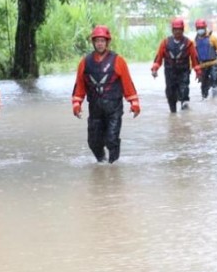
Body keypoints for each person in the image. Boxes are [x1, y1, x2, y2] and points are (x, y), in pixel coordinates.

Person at [71, 25, 140, 164]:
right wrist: (76, 103)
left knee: (112, 139)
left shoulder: (118, 61)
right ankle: (102, 163)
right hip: (95, 109)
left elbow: (127, 83)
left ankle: (113, 167)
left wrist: (134, 102)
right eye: (97, 41)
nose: (100, 43)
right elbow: (79, 85)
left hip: (113, 108)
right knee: (93, 142)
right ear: (93, 42)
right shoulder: (85, 62)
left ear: (107, 42)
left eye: (103, 41)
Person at [151, 17, 202, 113]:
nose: (177, 32)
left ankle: (185, 106)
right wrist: (154, 69)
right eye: (175, 30)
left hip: (183, 71)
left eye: (179, 30)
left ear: (182, 30)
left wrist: (198, 72)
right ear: (172, 30)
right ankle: (173, 113)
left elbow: (195, 59)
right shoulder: (165, 42)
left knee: (184, 89)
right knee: (170, 93)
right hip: (170, 71)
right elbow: (158, 58)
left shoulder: (188, 43)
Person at [194, 18, 217, 99]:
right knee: (204, 86)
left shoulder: (213, 38)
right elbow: (193, 57)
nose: (200, 30)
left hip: (213, 63)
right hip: (202, 65)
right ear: (196, 29)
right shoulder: (195, 42)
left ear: (205, 28)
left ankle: (215, 99)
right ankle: (204, 98)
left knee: (214, 81)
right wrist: (192, 68)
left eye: (202, 28)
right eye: (199, 28)